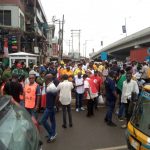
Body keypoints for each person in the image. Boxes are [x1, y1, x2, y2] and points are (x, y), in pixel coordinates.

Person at [40, 74, 57, 143]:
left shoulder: (51, 87)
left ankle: (52, 134)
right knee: (52, 121)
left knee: (43, 120)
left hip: (50, 107)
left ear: (47, 79)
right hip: (50, 106)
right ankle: (53, 133)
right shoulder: (49, 86)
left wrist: (54, 105)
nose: (44, 79)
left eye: (45, 78)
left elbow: (57, 96)